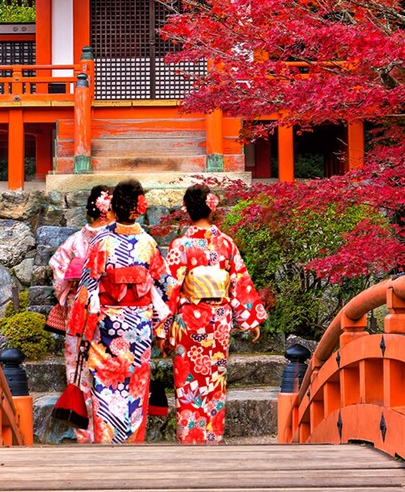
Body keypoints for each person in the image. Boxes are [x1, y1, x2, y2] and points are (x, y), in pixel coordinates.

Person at [67, 178, 173, 444]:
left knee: (106, 385)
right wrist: (163, 328)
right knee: (136, 387)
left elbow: (88, 286)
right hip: (139, 325)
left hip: (107, 327)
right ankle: (133, 443)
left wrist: (80, 329)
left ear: (115, 207)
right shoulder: (148, 244)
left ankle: (107, 443)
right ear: (138, 209)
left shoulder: (101, 242)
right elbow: (165, 286)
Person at [165, 184, 267, 444]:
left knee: (188, 378)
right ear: (213, 208)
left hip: (188, 319)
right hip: (219, 319)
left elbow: (171, 290)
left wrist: (163, 328)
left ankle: (190, 436)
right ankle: (213, 435)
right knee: (215, 378)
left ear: (186, 209)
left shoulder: (180, 245)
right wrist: (250, 318)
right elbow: (238, 282)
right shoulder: (226, 244)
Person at [48, 184, 113, 443]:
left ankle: (86, 433)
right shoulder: (120, 241)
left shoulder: (75, 240)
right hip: (112, 308)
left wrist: (70, 291)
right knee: (109, 367)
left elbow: (58, 269)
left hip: (79, 306)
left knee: (80, 368)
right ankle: (109, 431)